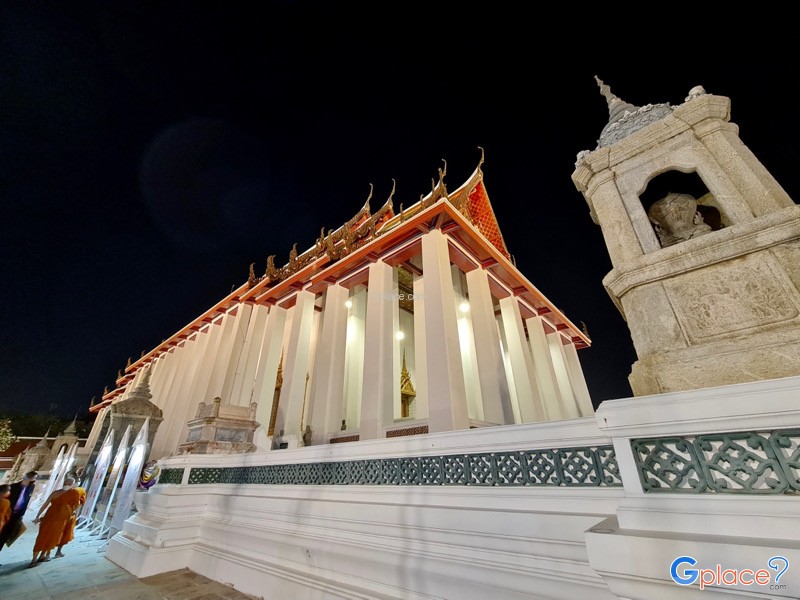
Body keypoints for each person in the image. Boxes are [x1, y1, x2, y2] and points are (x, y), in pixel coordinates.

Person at [29, 477, 84, 566]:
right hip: (60, 519)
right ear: (72, 485)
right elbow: (76, 506)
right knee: (52, 537)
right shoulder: (74, 493)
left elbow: (45, 504)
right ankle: (42, 555)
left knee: (42, 537)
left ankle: (35, 558)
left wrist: (37, 516)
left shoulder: (55, 493)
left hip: (49, 516)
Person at [0, 470, 38, 552]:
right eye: (32, 479)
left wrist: (22, 514)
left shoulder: (31, 487)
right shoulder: (13, 487)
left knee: (6, 536)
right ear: (26, 478)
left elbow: (27, 499)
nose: (33, 481)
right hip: (7, 514)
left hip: (17, 515)